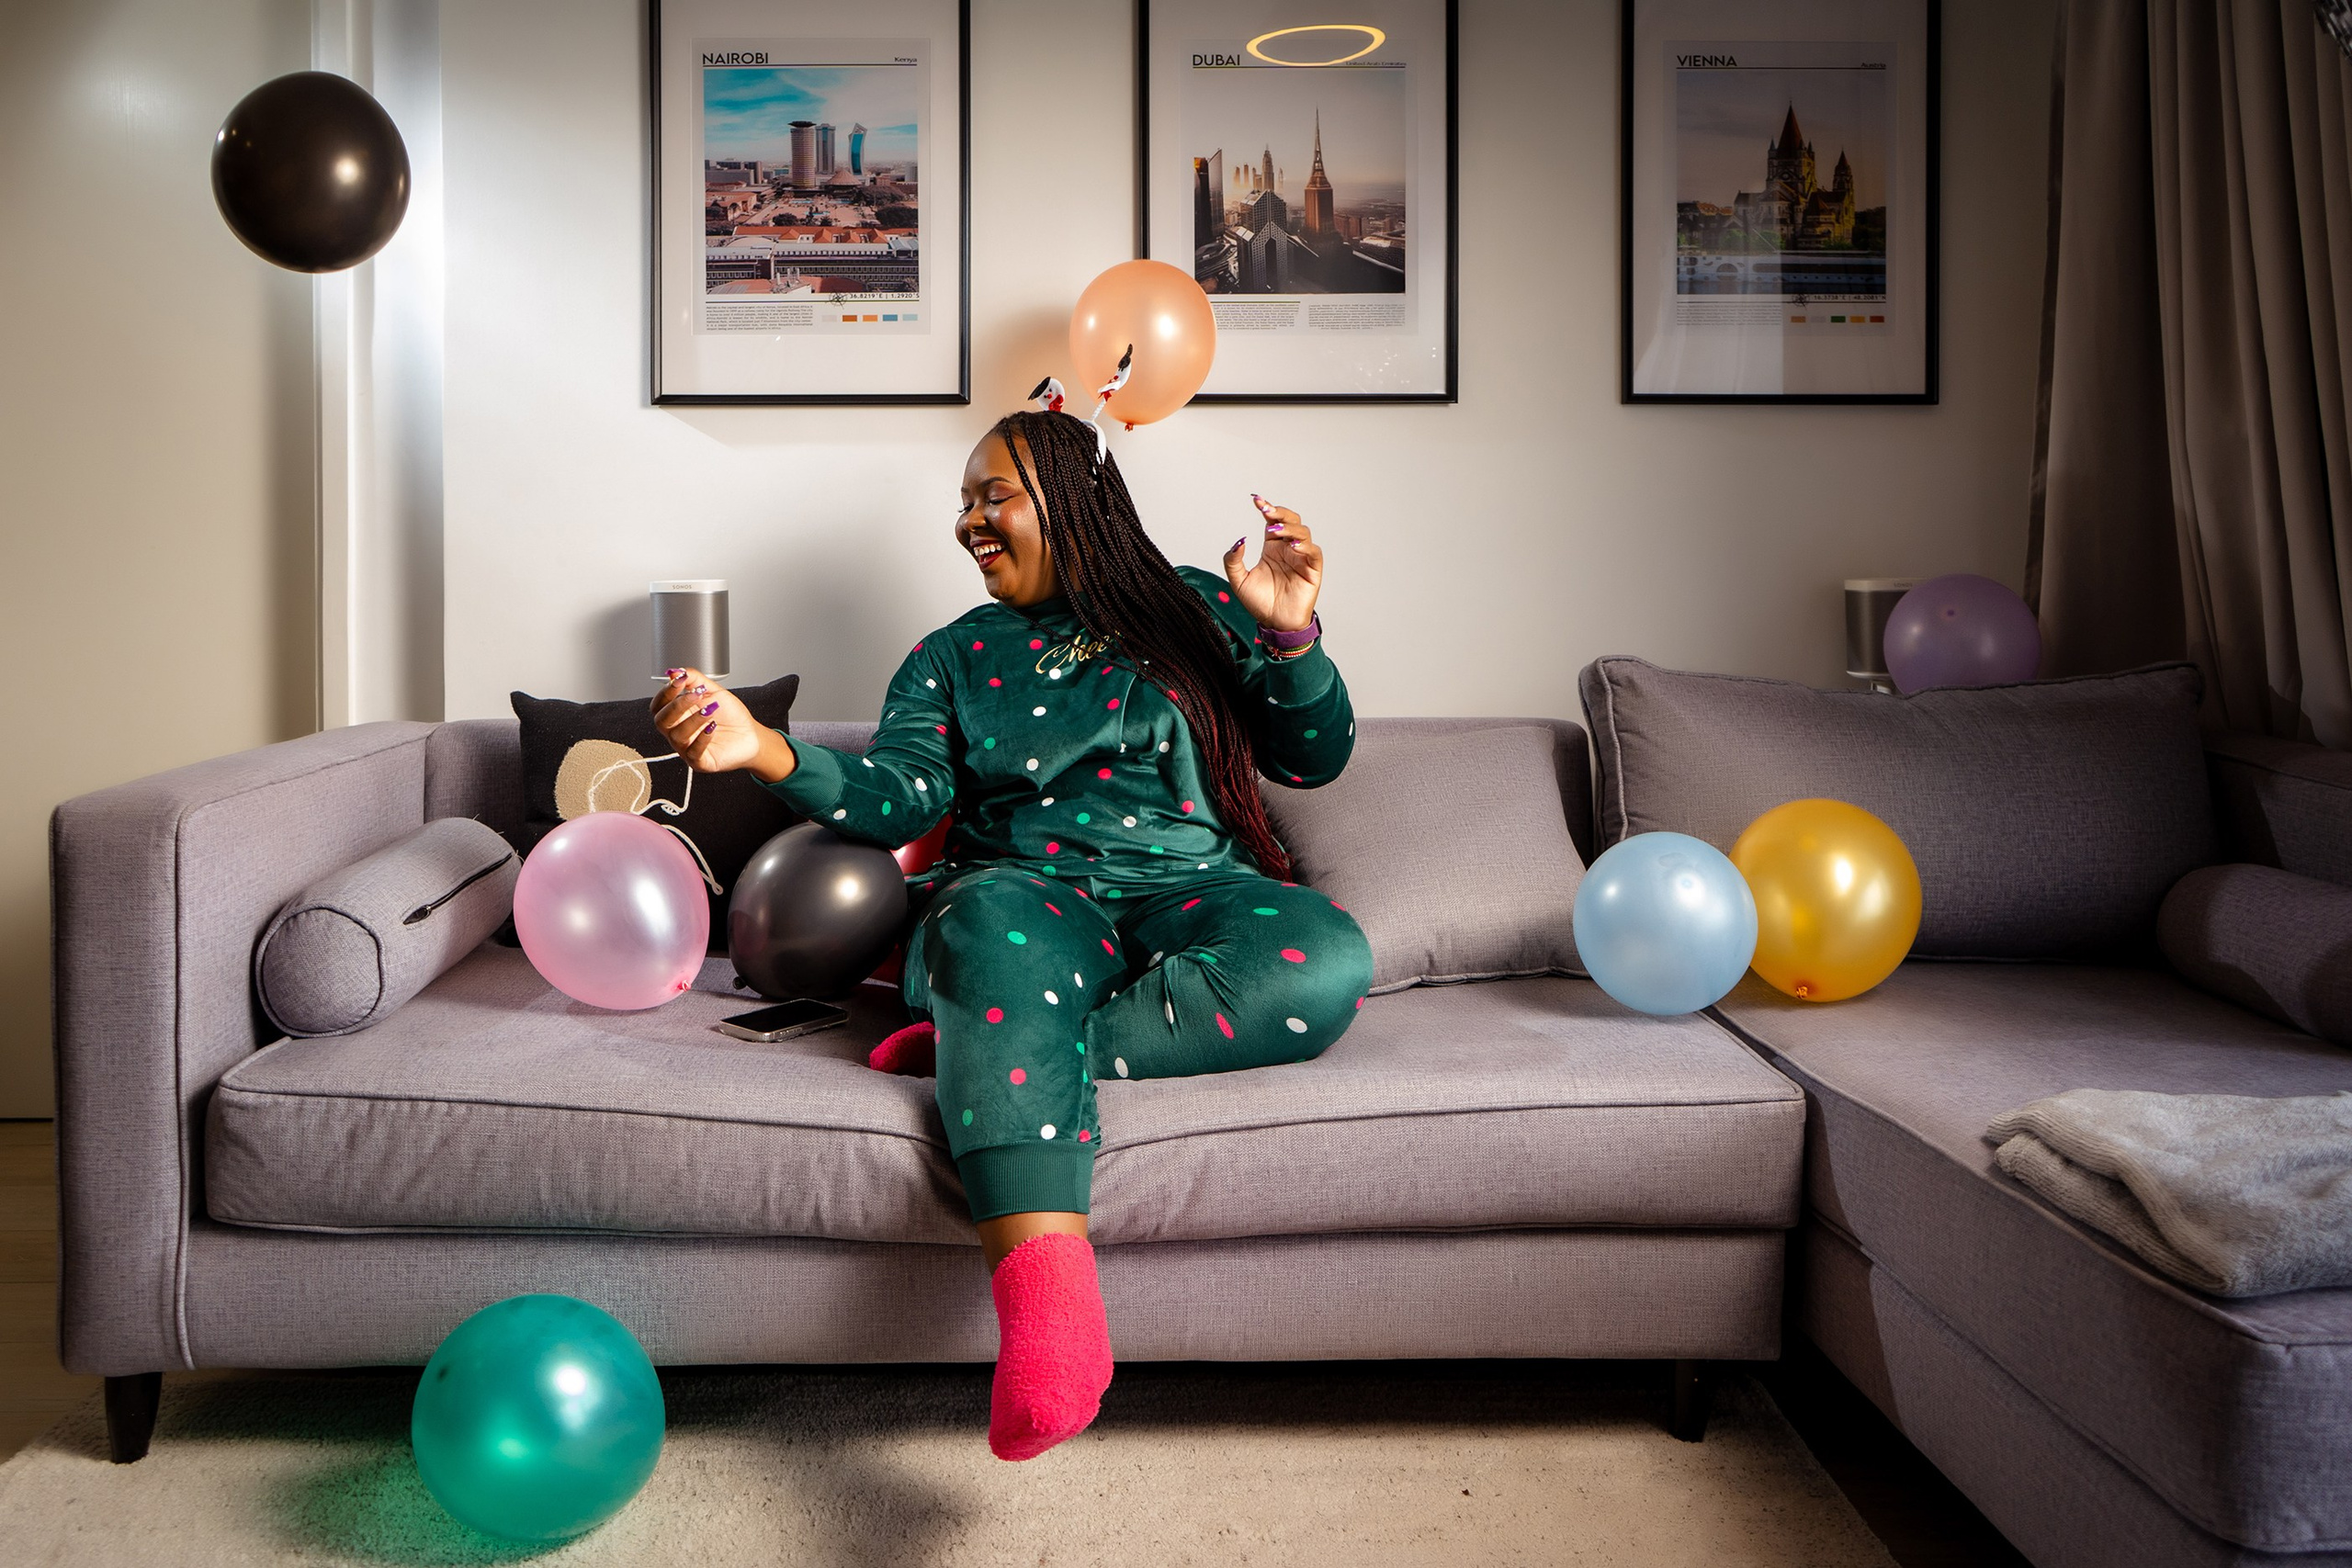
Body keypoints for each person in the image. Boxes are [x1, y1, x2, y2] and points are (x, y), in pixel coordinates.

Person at [651, 405, 1372, 1461]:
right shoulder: (948, 657)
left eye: (994, 497)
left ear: (1075, 500)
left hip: (1193, 890)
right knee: (986, 921)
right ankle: (1050, 1323)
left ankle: (985, 1043)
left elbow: (1312, 758)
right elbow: (898, 799)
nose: (968, 522)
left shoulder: (1198, 604)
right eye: (963, 503)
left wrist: (1291, 635)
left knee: (1327, 956)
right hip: (1023, 899)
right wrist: (765, 749)